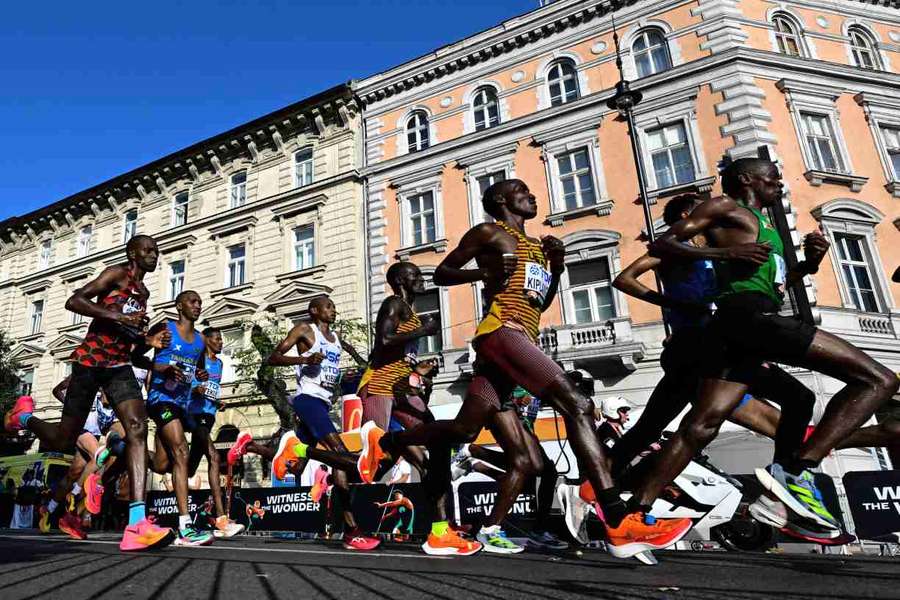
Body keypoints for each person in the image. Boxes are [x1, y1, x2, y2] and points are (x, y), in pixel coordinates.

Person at [365, 179, 691, 558]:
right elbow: (442, 273)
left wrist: (557, 264)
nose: (533, 194)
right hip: (500, 332)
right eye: (522, 190)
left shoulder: (536, 246)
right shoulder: (489, 231)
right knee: (578, 404)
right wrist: (484, 275)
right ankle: (616, 518)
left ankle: (389, 441)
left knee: (464, 428)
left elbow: (542, 299)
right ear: (502, 199)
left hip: (520, 338)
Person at [632, 157, 899, 533]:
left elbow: (771, 284)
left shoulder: (768, 227)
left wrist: (808, 265)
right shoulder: (725, 206)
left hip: (745, 321)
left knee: (703, 424)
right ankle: (797, 471)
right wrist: (723, 254)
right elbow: (667, 241)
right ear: (747, 180)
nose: (779, 182)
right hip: (747, 319)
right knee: (879, 381)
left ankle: (630, 512)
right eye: (772, 176)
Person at [4, 234, 174, 552]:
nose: (155, 255)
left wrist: (145, 341)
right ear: (132, 253)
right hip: (89, 362)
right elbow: (75, 301)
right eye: (148, 250)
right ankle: (23, 418)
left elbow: (133, 350)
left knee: (137, 428)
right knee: (61, 441)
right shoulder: (116, 275)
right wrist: (119, 316)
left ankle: (136, 523)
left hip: (119, 367)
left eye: (156, 251)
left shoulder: (144, 292)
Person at [231, 296, 380, 551]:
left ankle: (251, 446)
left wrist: (365, 366)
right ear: (314, 310)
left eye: (334, 306)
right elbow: (273, 358)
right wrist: (304, 360)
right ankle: (352, 530)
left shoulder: (334, 337)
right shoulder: (304, 329)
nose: (334, 310)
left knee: (297, 467)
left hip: (323, 403)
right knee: (341, 456)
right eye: (328, 306)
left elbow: (351, 352)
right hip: (307, 400)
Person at [451, 387, 568, 551]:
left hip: (525, 425)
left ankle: (539, 530)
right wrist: (522, 397)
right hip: (506, 417)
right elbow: (513, 390)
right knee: (526, 465)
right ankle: (473, 451)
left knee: (545, 472)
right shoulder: (524, 374)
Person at [145, 290, 213, 546]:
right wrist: (164, 368)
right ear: (179, 306)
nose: (198, 305)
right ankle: (185, 526)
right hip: (160, 399)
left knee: (162, 464)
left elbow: (200, 370)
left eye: (199, 302)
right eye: (193, 301)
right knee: (182, 452)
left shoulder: (199, 341)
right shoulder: (166, 329)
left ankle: (124, 450)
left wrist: (201, 377)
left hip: (182, 403)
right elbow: (140, 358)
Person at [37, 376, 117, 540]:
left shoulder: (105, 387)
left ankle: (48, 509)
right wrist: (68, 391)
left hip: (93, 433)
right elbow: (57, 391)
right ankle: (74, 494)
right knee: (100, 456)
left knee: (73, 473)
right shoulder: (81, 384)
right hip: (80, 429)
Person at [184, 326, 243, 539]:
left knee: (190, 468)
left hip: (209, 415)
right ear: (206, 340)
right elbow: (186, 384)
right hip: (194, 414)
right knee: (214, 457)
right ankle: (221, 518)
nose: (221, 342)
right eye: (217, 339)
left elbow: (211, 388)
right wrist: (194, 390)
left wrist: (217, 402)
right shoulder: (196, 360)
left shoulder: (219, 363)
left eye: (221, 339)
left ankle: (173, 477)